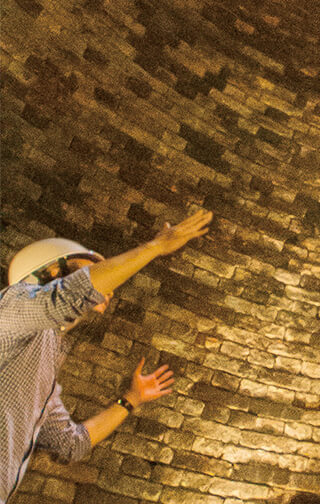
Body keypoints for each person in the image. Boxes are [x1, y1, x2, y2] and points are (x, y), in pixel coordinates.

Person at [0, 209, 213, 503]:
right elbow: (70, 295)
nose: (107, 283)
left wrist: (131, 399)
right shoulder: (9, 308)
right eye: (84, 269)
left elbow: (70, 443)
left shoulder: (45, 357)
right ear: (48, 274)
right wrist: (155, 246)